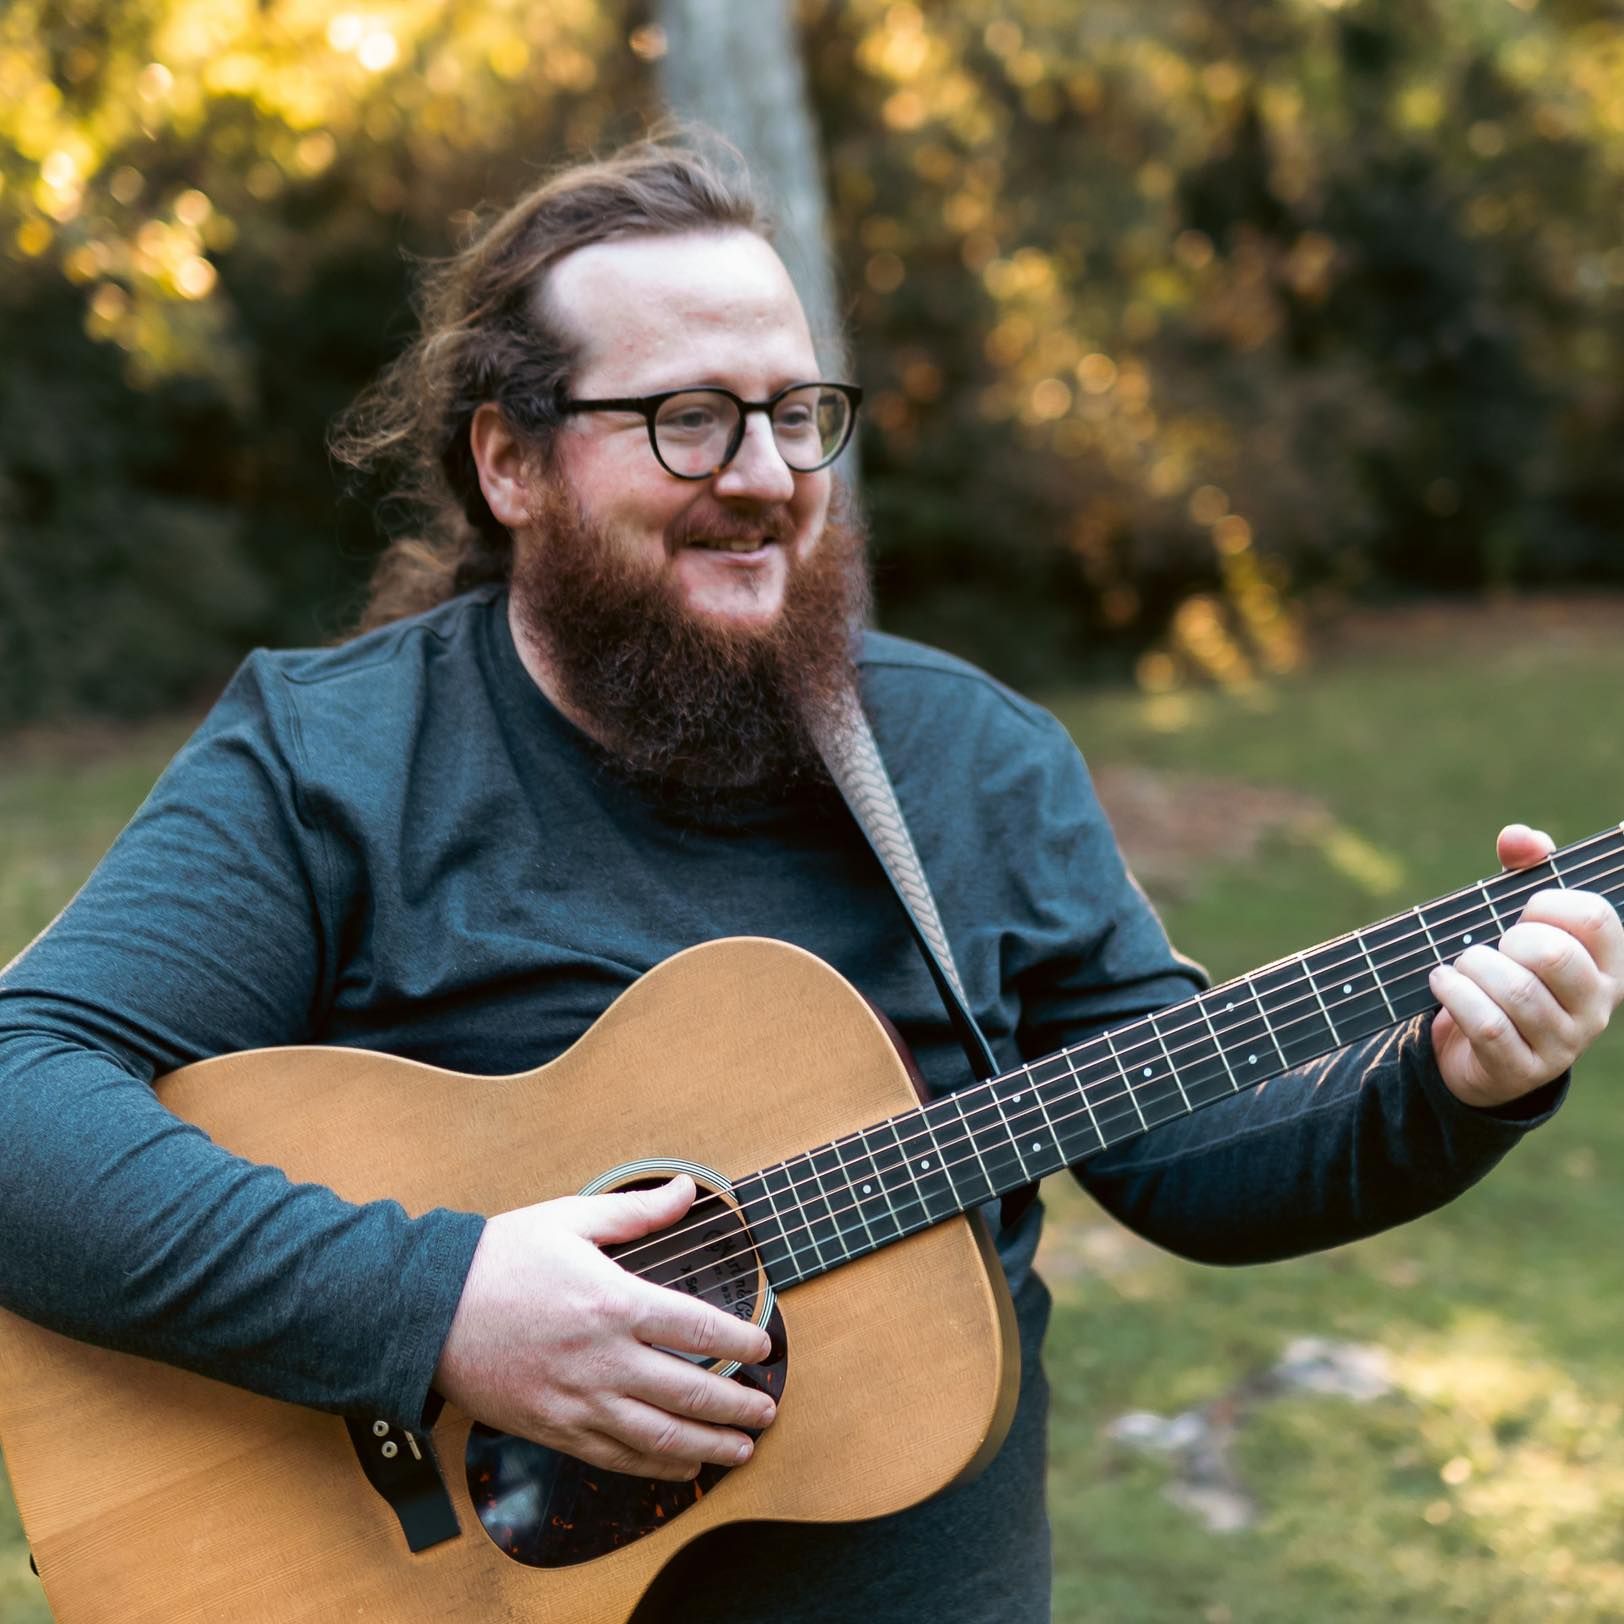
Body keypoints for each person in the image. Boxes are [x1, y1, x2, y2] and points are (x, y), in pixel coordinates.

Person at [1, 135, 1620, 1623]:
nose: (767, 473)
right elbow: (20, 1094)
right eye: (687, 417)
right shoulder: (335, 761)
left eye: (796, 413)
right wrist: (444, 1304)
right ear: (509, 462)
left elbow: (1183, 1150)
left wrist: (1453, 1085)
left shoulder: (971, 761)